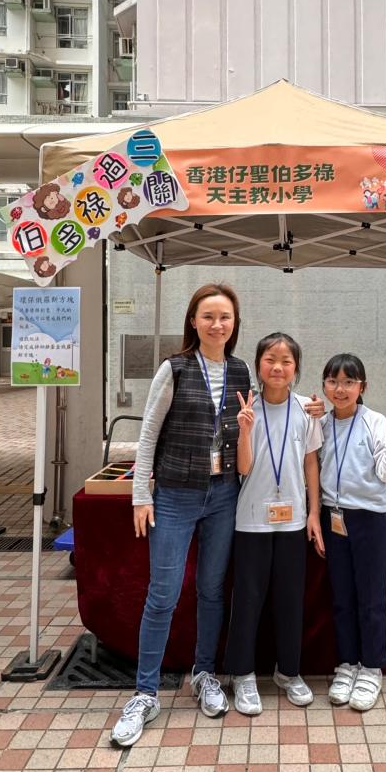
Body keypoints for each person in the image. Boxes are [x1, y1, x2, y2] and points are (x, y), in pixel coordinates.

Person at [111, 282, 251, 747]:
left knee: (212, 589)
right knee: (163, 593)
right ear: (193, 321)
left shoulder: (240, 370)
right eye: (208, 316)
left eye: (225, 317)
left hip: (224, 493)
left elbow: (253, 426)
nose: (217, 324)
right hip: (174, 494)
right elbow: (148, 435)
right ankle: (145, 693)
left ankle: (204, 674)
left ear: (234, 324)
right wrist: (141, 495)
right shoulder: (173, 368)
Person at [224, 333, 324, 715]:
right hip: (252, 520)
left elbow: (310, 463)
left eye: (286, 360)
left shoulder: (306, 410)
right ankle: (243, 674)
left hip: (293, 520)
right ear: (258, 365)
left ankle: (289, 672)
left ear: (296, 368)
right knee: (247, 599)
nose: (277, 367)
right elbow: (243, 468)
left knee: (290, 599)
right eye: (270, 359)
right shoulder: (247, 407)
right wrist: (245, 430)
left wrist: (313, 513)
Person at [318, 354, 386, 712]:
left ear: (362, 387)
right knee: (342, 597)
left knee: (371, 598)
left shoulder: (374, 422)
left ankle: (371, 668)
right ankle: (348, 663)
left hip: (370, 519)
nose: (340, 389)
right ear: (324, 385)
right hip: (333, 518)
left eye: (348, 382)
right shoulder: (321, 424)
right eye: (333, 381)